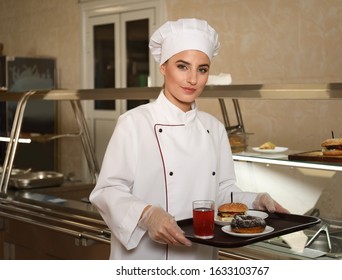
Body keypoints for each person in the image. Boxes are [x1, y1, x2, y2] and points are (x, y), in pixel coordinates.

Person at [89, 18, 288, 260]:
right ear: (163, 67)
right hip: (146, 259)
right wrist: (146, 215)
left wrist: (256, 200)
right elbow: (107, 190)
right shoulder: (134, 122)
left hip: (199, 257)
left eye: (202, 69)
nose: (193, 79)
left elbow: (223, 191)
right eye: (182, 66)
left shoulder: (213, 128)